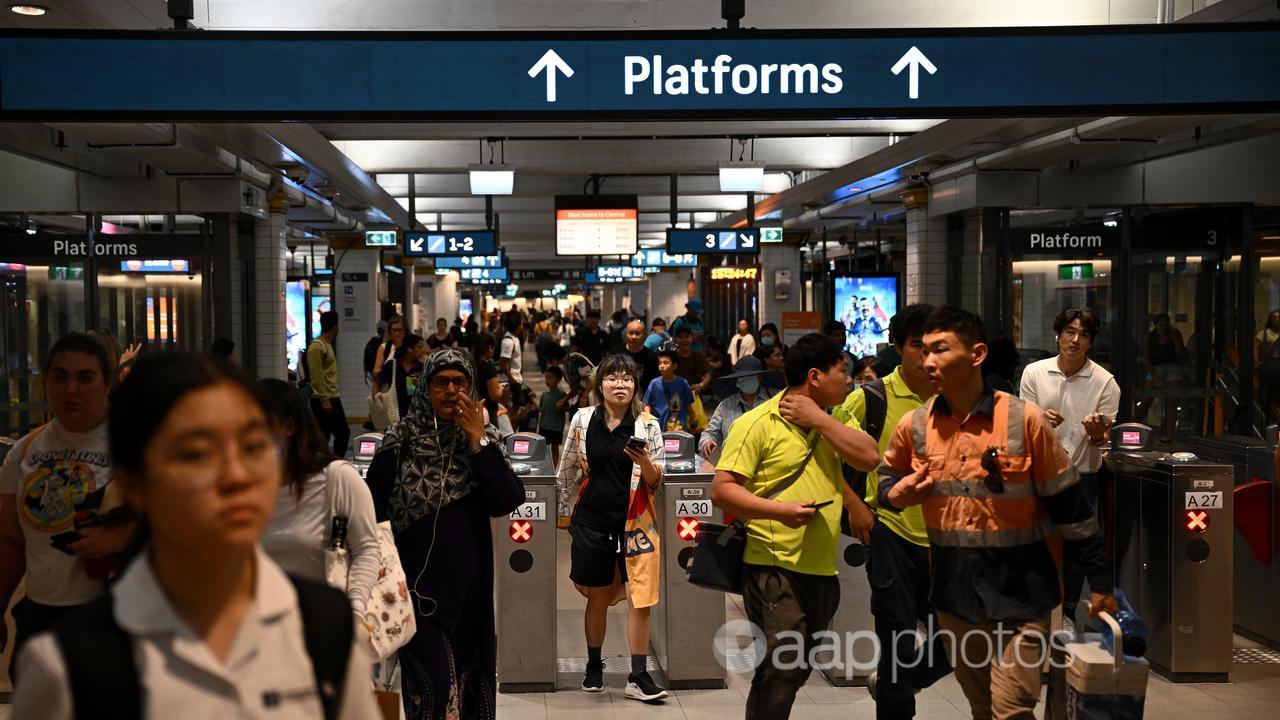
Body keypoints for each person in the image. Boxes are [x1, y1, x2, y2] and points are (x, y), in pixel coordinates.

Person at [14, 352, 378, 719]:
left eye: (252, 447)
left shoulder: (326, 630)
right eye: (197, 454)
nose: (236, 475)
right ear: (134, 485)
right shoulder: (68, 667)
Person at [878, 306, 1118, 720]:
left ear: (976, 354)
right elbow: (887, 481)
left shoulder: (1024, 421)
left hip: (1022, 598)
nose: (928, 360)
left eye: (941, 349)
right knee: (983, 708)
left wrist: (1099, 583)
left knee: (1011, 709)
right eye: (925, 351)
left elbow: (1071, 508)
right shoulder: (915, 426)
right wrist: (894, 494)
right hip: (956, 601)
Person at [710, 333, 880, 719]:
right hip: (773, 569)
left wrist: (819, 418)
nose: (849, 380)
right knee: (782, 668)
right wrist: (779, 512)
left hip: (822, 568)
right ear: (816, 376)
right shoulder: (757, 424)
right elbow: (722, 491)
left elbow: (869, 457)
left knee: (797, 667)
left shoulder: (836, 417)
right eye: (843, 371)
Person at [365, 349, 525, 720]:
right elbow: (369, 510)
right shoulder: (399, 442)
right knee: (435, 689)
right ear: (425, 388)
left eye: (460, 382)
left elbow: (506, 500)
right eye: (441, 382)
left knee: (470, 692)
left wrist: (477, 441)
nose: (452, 390)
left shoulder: (482, 440)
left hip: (470, 599)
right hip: (415, 598)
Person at [833, 304, 951, 720]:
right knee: (897, 641)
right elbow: (823, 450)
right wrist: (853, 503)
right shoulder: (871, 397)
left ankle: (898, 683)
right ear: (898, 346)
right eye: (918, 346)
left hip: (948, 538)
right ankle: (896, 694)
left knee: (960, 637)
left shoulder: (956, 396)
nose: (929, 356)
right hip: (891, 535)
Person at [0, 333, 136, 675]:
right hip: (40, 620)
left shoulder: (134, 446)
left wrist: (122, 536)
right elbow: (10, 541)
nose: (70, 389)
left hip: (114, 619)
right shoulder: (24, 452)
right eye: (60, 377)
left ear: (107, 382)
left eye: (84, 378)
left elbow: (185, 522)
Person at [554, 355, 668, 702]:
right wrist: (563, 515)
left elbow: (657, 480)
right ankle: (593, 666)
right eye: (613, 378)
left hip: (636, 524)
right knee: (598, 597)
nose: (621, 385)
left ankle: (638, 674)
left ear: (635, 385)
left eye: (627, 379)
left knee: (640, 599)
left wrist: (645, 462)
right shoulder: (582, 419)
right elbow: (567, 469)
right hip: (592, 522)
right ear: (600, 384)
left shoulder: (648, 425)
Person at [1019, 309, 1120, 620]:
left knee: (1078, 545)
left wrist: (1096, 432)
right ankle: (1036, 607)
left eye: (1084, 334)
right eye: (1070, 332)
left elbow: (1102, 442)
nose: (1075, 340)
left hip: (1082, 475)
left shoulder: (1106, 382)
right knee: (1034, 538)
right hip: (1039, 473)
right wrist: (1038, 419)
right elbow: (1021, 426)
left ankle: (1069, 611)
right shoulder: (1034, 373)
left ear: (1091, 342)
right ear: (1058, 335)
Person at [258, 379, 381, 622]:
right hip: (262, 633)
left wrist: (355, 613)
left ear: (289, 426)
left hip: (323, 628)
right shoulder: (247, 486)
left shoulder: (337, 479)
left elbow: (367, 549)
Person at [699, 356, 769, 464]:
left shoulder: (773, 399)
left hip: (767, 464)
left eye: (750, 376)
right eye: (742, 377)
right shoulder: (725, 405)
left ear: (759, 377)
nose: (745, 379)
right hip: (733, 465)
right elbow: (709, 433)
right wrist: (707, 442)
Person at [1137, 312, 1189, 441]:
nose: (1162, 328)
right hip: (1155, 367)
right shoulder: (1149, 338)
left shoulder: (1175, 334)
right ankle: (1135, 428)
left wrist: (1174, 338)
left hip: (1172, 366)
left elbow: (1182, 354)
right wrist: (1155, 377)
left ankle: (1170, 435)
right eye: (1160, 326)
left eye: (1165, 325)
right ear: (1155, 326)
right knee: (1146, 400)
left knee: (1172, 401)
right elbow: (1147, 360)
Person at [307, 310, 349, 457]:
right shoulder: (317, 347)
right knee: (342, 433)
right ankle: (332, 464)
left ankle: (325, 465)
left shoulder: (326, 344)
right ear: (335, 326)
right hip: (324, 400)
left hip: (331, 397)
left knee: (325, 436)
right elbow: (316, 376)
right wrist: (324, 400)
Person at [643, 350, 696, 433]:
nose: (661, 366)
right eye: (660, 363)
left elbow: (688, 405)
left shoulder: (682, 383)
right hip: (658, 427)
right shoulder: (654, 383)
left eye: (665, 363)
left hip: (678, 427)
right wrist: (649, 421)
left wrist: (693, 422)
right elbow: (647, 404)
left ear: (674, 366)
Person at [380, 333, 429, 421]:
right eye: (420, 347)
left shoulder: (421, 367)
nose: (423, 350)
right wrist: (377, 402)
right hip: (393, 414)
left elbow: (427, 391)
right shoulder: (392, 365)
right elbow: (378, 383)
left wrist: (419, 385)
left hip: (415, 415)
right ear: (410, 349)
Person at [538, 366, 568, 466]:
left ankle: (554, 469)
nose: (547, 381)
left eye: (550, 378)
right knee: (544, 448)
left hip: (556, 427)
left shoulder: (562, 395)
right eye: (546, 378)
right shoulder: (544, 394)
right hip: (544, 426)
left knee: (554, 448)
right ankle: (544, 467)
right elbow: (541, 409)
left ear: (558, 379)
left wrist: (562, 407)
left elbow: (568, 408)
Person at [1255, 309, 1280, 423]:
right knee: (1267, 394)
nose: (1277, 320)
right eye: (1274, 317)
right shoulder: (1263, 333)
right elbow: (1255, 348)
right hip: (1267, 368)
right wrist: (1256, 362)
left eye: (1279, 317)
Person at [372, 316, 408, 394]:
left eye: (399, 330)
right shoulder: (384, 348)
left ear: (405, 330)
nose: (396, 333)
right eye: (394, 330)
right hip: (388, 393)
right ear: (389, 331)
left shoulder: (410, 348)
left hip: (407, 392)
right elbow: (375, 372)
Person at [672, 325, 712, 396]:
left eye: (687, 336)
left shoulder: (699, 356)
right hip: (674, 398)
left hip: (695, 397)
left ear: (692, 338)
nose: (684, 340)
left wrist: (701, 385)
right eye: (681, 337)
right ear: (675, 340)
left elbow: (708, 374)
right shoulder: (671, 357)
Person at [622, 319, 660, 389]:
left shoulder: (652, 357)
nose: (634, 337)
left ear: (644, 335)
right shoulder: (616, 354)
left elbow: (656, 382)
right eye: (631, 333)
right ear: (626, 334)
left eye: (637, 334)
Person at [497, 312, 526, 386]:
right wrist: (512, 380)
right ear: (518, 326)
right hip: (510, 382)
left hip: (516, 379)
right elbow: (502, 363)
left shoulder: (515, 338)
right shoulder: (508, 342)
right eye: (521, 324)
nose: (523, 326)